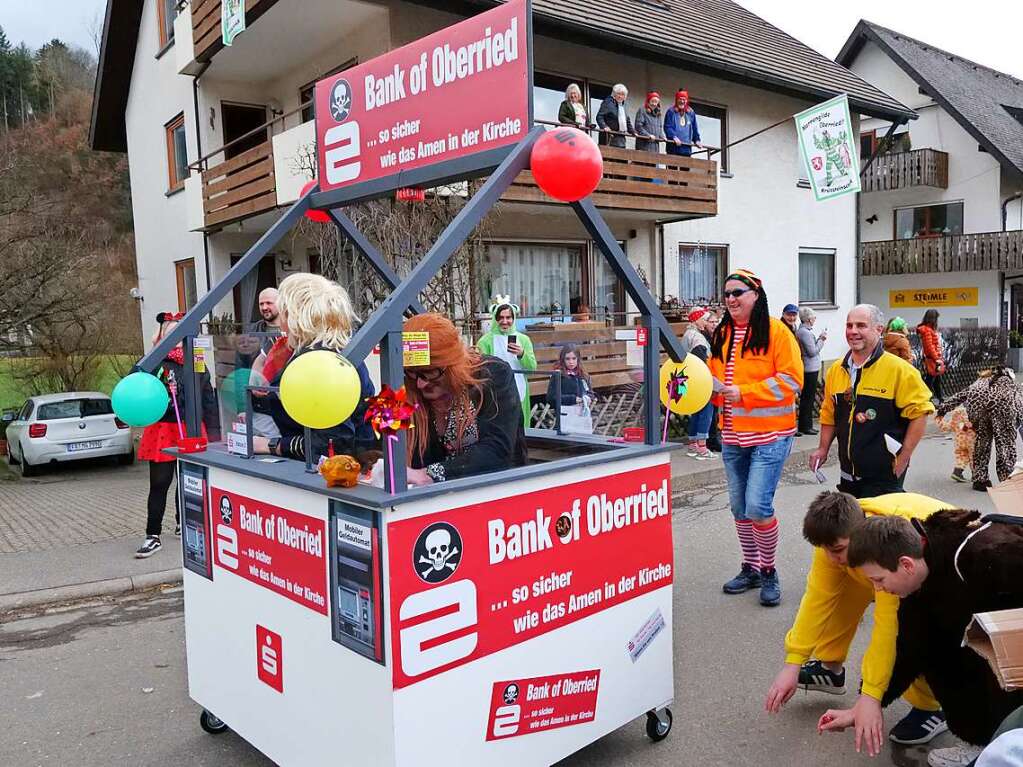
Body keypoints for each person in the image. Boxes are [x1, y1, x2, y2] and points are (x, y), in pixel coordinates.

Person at [822, 512, 1023, 766]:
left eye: (879, 579)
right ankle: (982, 740)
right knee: (937, 652)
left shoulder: (989, 553)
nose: (879, 589)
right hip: (991, 632)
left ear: (906, 564)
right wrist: (867, 703)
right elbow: (907, 650)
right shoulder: (916, 585)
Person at [765, 491, 951, 757]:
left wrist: (871, 697)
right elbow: (817, 599)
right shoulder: (837, 536)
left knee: (912, 630)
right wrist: (792, 662)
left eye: (838, 550)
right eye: (827, 550)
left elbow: (888, 630)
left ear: (861, 533)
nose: (831, 558)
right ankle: (830, 667)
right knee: (838, 592)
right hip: (893, 560)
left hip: (942, 569)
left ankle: (932, 705)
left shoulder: (885, 546)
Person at [707, 269, 803, 606]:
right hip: (733, 436)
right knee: (738, 507)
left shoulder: (777, 331)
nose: (730, 299)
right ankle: (749, 567)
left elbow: (792, 380)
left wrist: (741, 393)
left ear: (755, 296)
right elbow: (714, 382)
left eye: (737, 293)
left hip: (771, 435)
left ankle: (768, 571)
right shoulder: (722, 334)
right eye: (727, 294)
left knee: (757, 506)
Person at [810, 304, 935, 499]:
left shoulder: (900, 370)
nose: (853, 331)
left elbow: (920, 414)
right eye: (849, 326)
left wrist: (903, 458)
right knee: (853, 525)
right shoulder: (836, 370)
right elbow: (828, 413)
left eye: (861, 325)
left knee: (879, 528)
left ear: (879, 329)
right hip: (848, 471)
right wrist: (822, 449)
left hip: (884, 473)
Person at [250, 273, 377, 460]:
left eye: (284, 309)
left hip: (333, 474)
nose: (281, 319)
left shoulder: (318, 364)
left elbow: (332, 444)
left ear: (295, 315)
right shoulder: (335, 350)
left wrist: (272, 445)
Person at [403, 313, 527, 485]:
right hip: (433, 502)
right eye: (412, 373)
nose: (421, 384)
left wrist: (429, 474)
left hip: (496, 492)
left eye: (430, 373)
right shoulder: (410, 390)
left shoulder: (492, 375)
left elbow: (498, 449)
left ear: (454, 365)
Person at [136, 312, 219, 559]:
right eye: (169, 333)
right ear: (161, 335)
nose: (174, 338)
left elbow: (208, 397)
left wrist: (214, 434)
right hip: (163, 428)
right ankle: (153, 535)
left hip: (192, 427)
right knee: (160, 483)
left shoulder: (197, 362)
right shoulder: (154, 361)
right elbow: (134, 382)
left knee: (188, 481)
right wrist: (152, 352)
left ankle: (183, 521)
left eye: (179, 333)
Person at [936, 367, 1023, 491]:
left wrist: (942, 409)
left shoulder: (978, 383)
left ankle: (980, 479)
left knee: (982, 443)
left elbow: (961, 395)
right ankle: (1006, 478)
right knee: (1004, 444)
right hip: (1003, 409)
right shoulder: (1009, 384)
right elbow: (1020, 403)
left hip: (979, 410)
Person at [476, 297, 537, 429]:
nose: (505, 321)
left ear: (513, 318)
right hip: (495, 392)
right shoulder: (485, 341)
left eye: (508, 317)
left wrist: (522, 354)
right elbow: (480, 369)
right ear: (495, 319)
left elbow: (532, 368)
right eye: (501, 318)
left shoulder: (524, 340)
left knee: (520, 427)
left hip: (519, 388)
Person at [681, 307, 715, 459]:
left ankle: (693, 444)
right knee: (705, 412)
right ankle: (702, 447)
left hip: (690, 378)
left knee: (696, 411)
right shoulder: (698, 338)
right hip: (701, 379)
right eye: (704, 319)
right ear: (697, 320)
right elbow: (701, 360)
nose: (706, 322)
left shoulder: (688, 334)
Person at [546, 344, 593, 434]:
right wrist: (573, 399)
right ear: (563, 359)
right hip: (565, 417)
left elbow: (590, 392)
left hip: (581, 417)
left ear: (578, 359)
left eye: (574, 358)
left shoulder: (583, 375)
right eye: (568, 359)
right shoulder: (558, 375)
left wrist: (588, 398)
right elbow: (551, 398)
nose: (571, 362)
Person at [795, 306, 826, 436]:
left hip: (810, 367)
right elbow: (812, 352)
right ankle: (805, 426)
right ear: (808, 319)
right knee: (808, 398)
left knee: (808, 397)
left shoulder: (804, 331)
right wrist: (822, 340)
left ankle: (806, 425)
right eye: (813, 317)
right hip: (810, 368)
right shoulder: (805, 333)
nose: (814, 319)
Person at [935, 405, 975, 483]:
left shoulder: (956, 414)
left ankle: (957, 472)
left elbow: (946, 427)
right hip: (972, 440)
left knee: (962, 456)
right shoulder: (974, 412)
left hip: (959, 440)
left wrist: (938, 418)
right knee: (974, 457)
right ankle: (976, 475)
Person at [918, 309, 945, 403]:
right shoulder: (927, 331)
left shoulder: (927, 329)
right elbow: (930, 347)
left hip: (932, 358)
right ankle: (926, 398)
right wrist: (937, 358)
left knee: (936, 379)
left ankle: (940, 398)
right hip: (932, 359)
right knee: (930, 380)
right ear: (933, 319)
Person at [664, 89, 701, 157]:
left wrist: (697, 140)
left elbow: (694, 128)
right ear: (676, 100)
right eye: (680, 99)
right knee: (672, 167)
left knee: (685, 167)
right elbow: (667, 127)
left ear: (686, 101)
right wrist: (673, 137)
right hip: (673, 148)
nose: (682, 101)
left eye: (684, 99)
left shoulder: (691, 112)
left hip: (686, 149)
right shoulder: (671, 111)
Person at [595, 84, 632, 148]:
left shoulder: (624, 106)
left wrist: (633, 132)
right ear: (614, 94)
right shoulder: (608, 103)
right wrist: (604, 126)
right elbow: (599, 117)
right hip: (608, 137)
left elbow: (627, 121)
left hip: (621, 139)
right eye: (618, 94)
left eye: (622, 94)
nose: (620, 96)